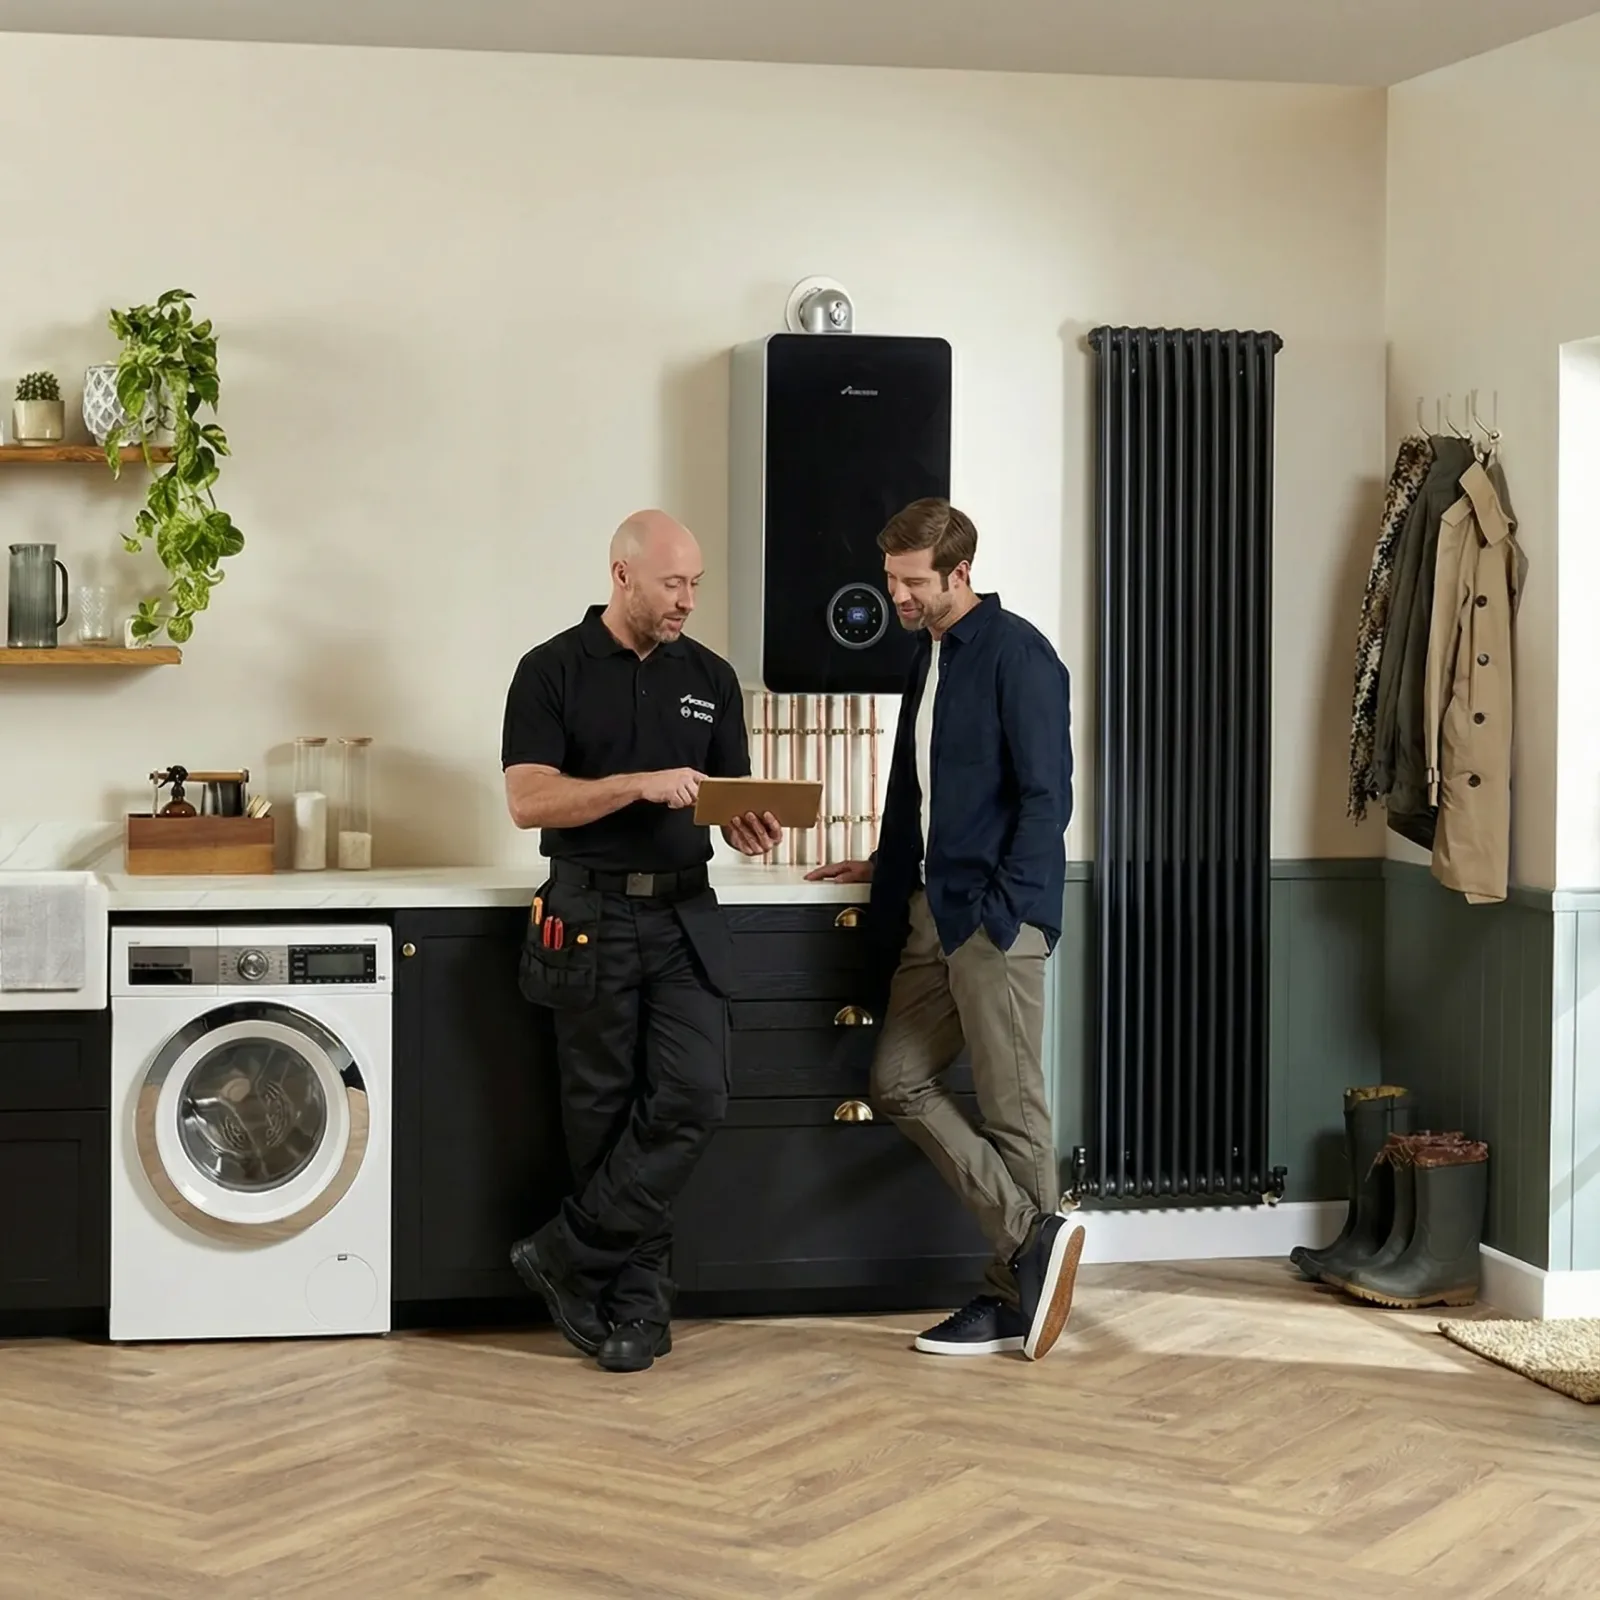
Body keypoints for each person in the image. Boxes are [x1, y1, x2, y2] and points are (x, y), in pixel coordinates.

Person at [501, 509, 782, 1374]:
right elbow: (529, 801)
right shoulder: (550, 669)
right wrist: (634, 785)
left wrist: (747, 826)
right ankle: (637, 1310)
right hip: (589, 914)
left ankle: (564, 1254)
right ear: (622, 575)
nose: (688, 600)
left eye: (695, 584)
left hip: (685, 913)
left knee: (693, 1096)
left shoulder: (712, 678)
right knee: (603, 1116)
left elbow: (724, 798)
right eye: (673, 584)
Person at [809, 497, 1082, 1360]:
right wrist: (883, 864)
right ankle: (1032, 1244)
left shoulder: (1019, 655)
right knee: (895, 1079)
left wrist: (1004, 915)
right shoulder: (926, 658)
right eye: (891, 579)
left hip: (993, 919)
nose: (896, 595)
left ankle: (1016, 1301)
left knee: (1013, 1110)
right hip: (932, 910)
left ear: (960, 572)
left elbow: (1047, 799)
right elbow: (921, 793)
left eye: (912, 581)